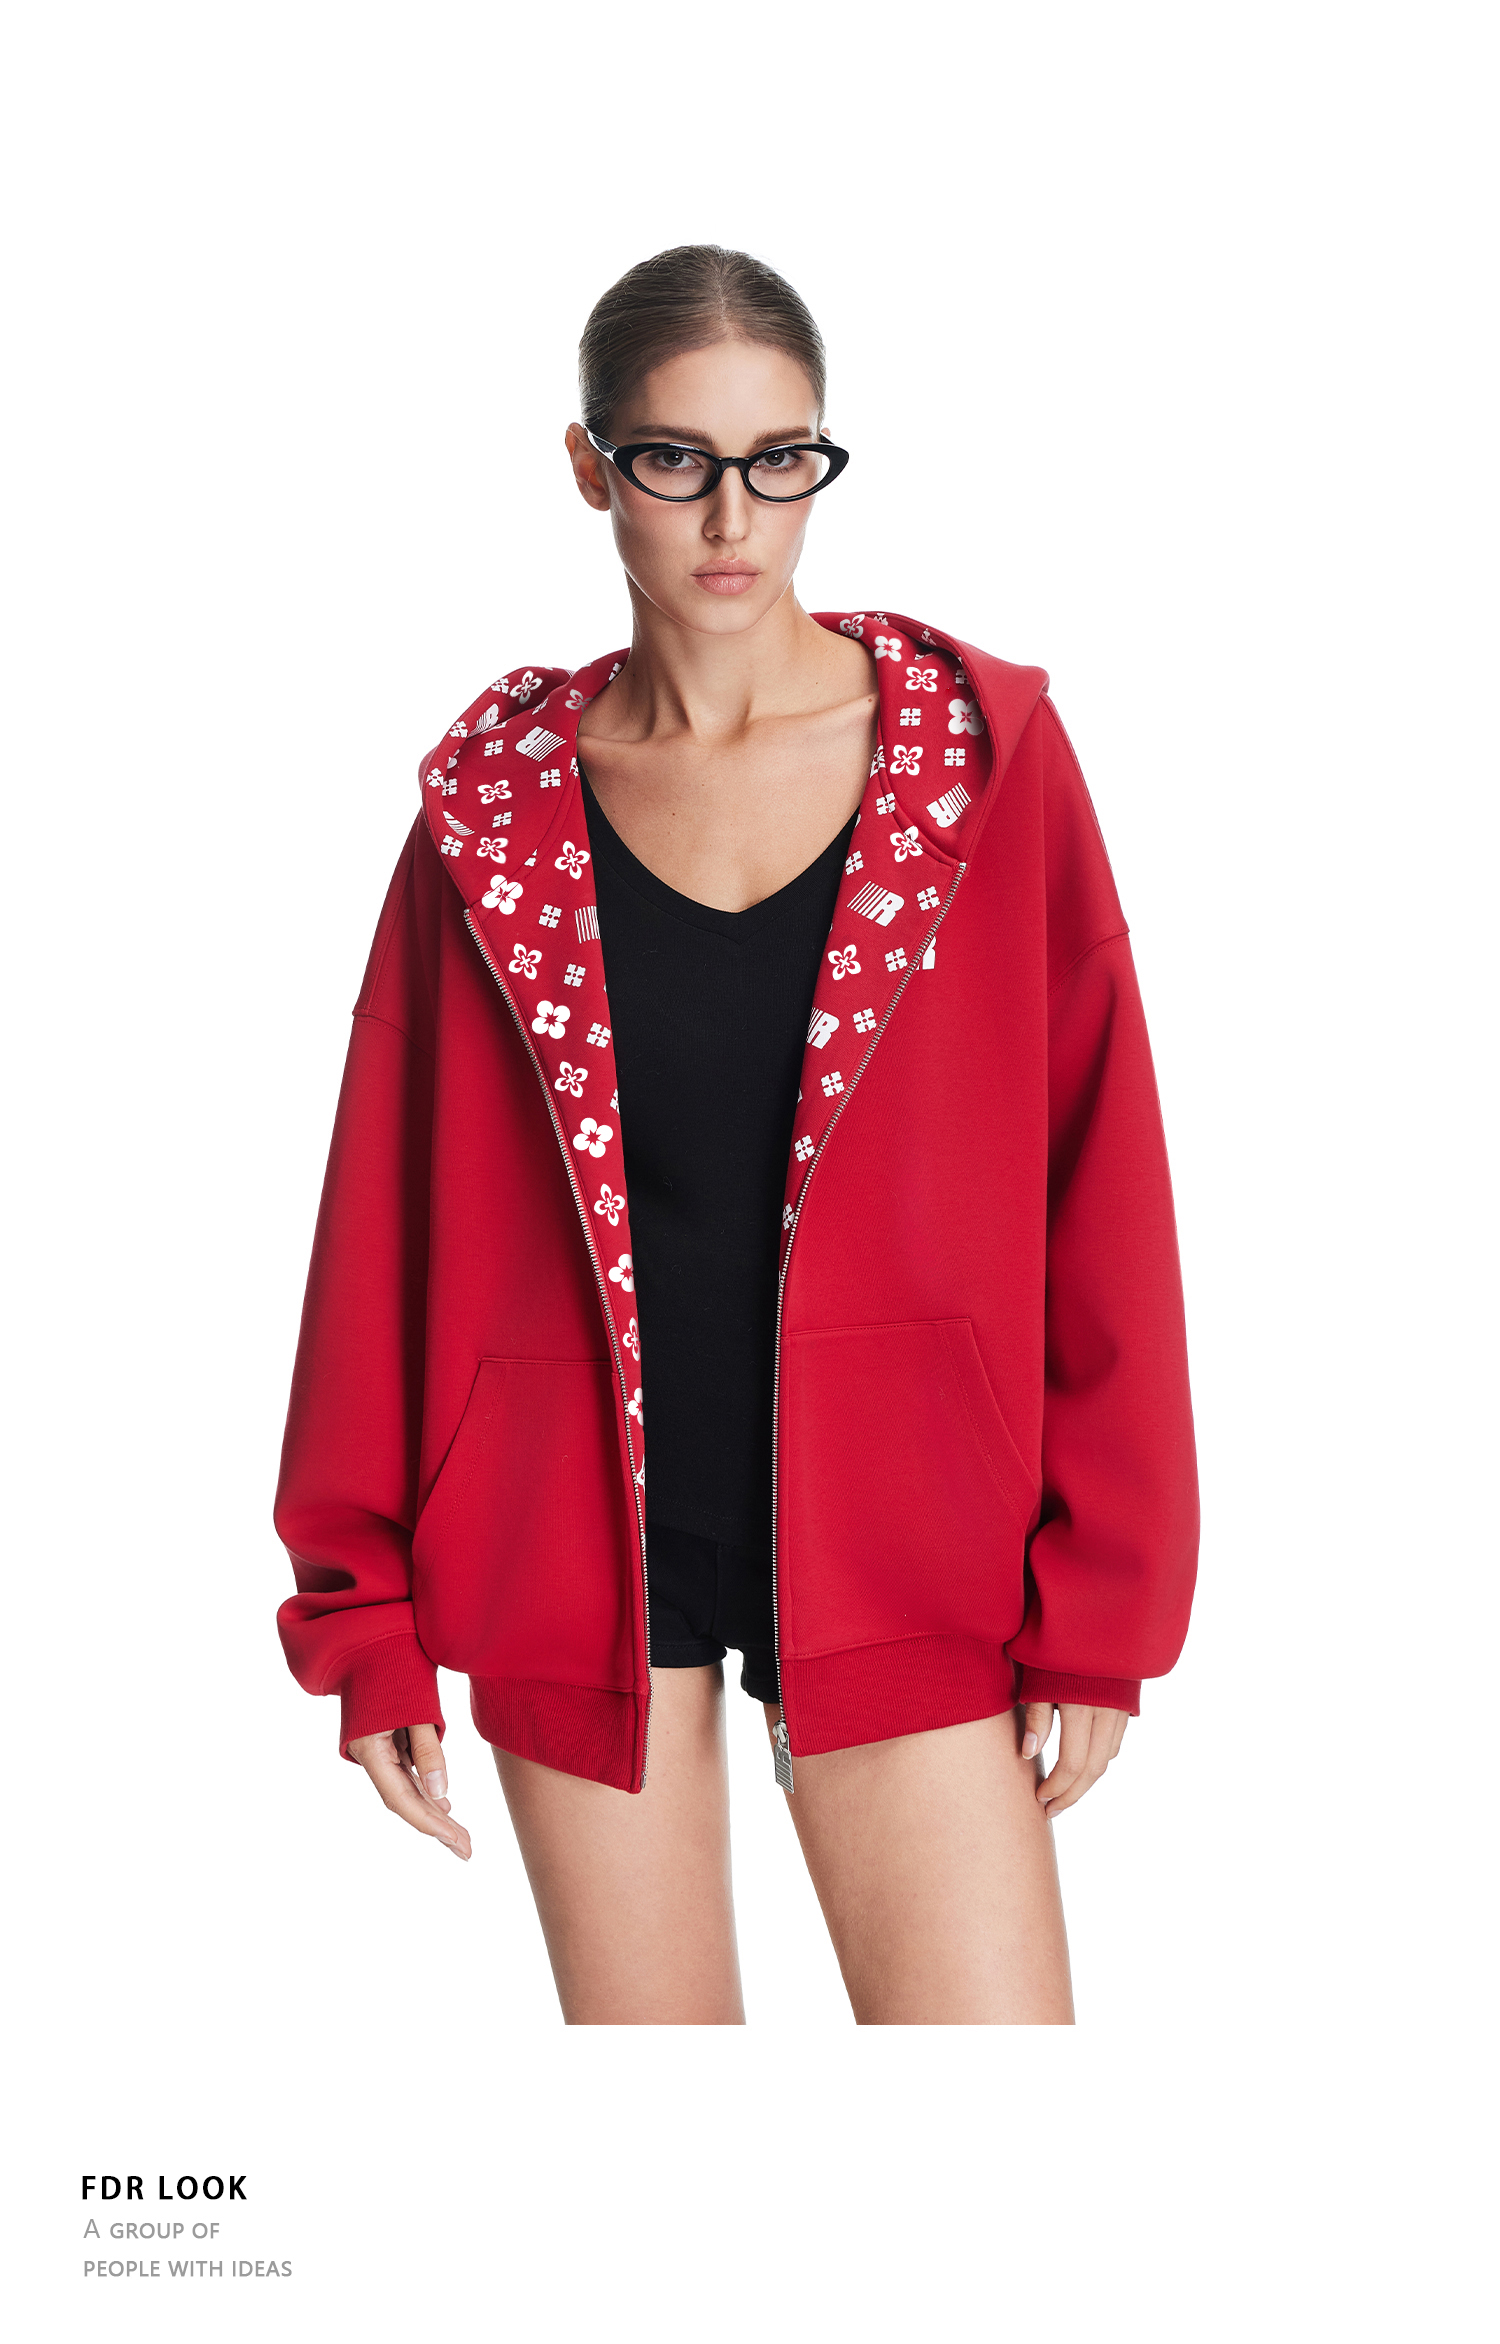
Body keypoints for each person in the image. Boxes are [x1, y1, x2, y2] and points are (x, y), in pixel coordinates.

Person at [273, 245, 1199, 2025]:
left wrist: (1104, 1601)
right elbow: (377, 1220)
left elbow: (1106, 1184)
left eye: (781, 460)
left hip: (912, 1535)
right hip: (574, 1550)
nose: (732, 517)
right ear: (588, 465)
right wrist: (359, 1608)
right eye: (674, 460)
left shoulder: (973, 761)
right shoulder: (495, 820)